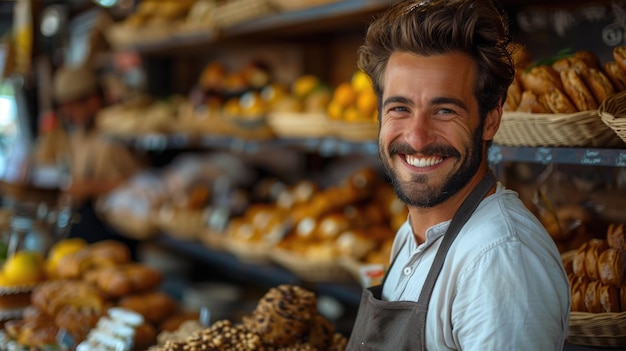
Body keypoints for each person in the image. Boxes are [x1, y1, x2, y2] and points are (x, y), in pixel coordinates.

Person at [347, 1, 571, 350]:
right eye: (400, 109)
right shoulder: (412, 234)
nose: (417, 138)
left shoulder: (499, 261)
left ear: (491, 120)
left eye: (445, 110)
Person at [50, 64, 144, 259]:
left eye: (71, 107)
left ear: (92, 101)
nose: (67, 114)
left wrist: (91, 187)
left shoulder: (114, 136)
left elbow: (139, 183)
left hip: (112, 233)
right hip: (84, 229)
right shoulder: (78, 133)